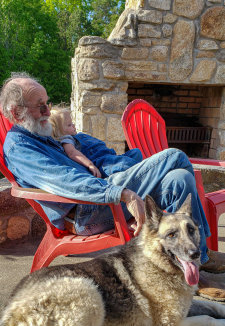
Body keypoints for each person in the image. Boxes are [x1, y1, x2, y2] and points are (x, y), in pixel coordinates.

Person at [1, 72, 225, 300]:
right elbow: (69, 182)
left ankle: (193, 260)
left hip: (102, 195)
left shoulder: (44, 134)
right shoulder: (20, 148)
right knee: (174, 156)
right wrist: (123, 193)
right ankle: (198, 259)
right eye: (40, 107)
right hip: (86, 211)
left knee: (179, 179)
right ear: (16, 113)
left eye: (47, 103)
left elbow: (95, 157)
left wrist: (81, 147)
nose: (48, 112)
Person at [49, 106, 143, 178]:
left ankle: (134, 170)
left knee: (136, 152)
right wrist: (90, 165)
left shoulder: (76, 137)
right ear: (59, 132)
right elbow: (72, 153)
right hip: (103, 163)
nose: (73, 125)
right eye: (69, 125)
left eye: (72, 122)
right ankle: (138, 173)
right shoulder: (66, 139)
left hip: (111, 157)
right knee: (126, 164)